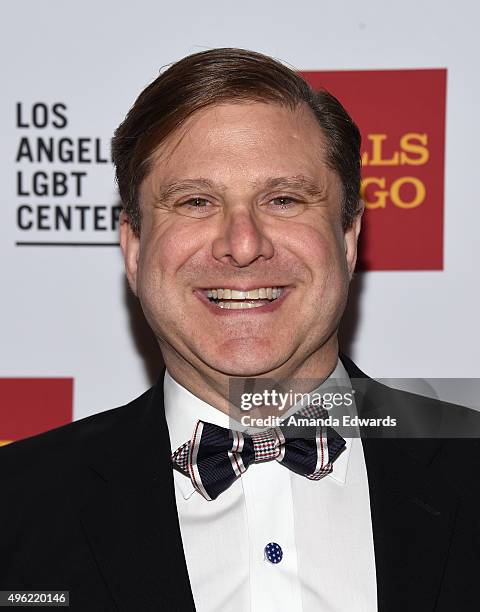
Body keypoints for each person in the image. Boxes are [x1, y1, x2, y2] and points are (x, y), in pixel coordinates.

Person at [1, 48, 479, 612]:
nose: (243, 243)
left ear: (349, 239)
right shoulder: (15, 506)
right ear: (133, 249)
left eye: (283, 199)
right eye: (196, 201)